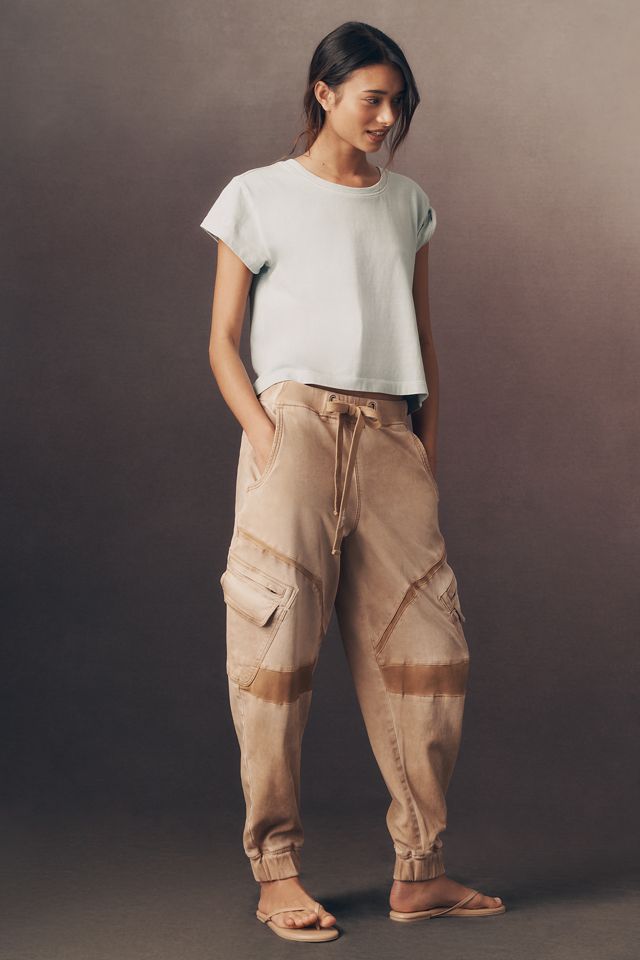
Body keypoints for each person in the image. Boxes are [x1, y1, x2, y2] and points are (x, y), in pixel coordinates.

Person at [199, 20, 505, 944]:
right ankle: (277, 871)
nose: (386, 117)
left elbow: (422, 334)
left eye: (397, 103)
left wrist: (425, 447)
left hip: (389, 437)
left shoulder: (408, 204)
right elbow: (221, 339)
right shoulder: (258, 195)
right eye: (372, 98)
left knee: (428, 655)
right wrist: (265, 434)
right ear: (324, 92)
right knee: (274, 656)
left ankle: (421, 869)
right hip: (292, 429)